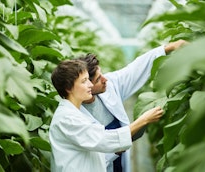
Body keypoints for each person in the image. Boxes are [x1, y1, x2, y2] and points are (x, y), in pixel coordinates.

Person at [78, 39, 188, 172]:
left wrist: (169, 47)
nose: (105, 79)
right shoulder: (76, 116)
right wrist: (143, 121)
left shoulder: (109, 85)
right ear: (86, 85)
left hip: (118, 160)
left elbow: (135, 69)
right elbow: (93, 156)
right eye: (98, 79)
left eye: (102, 74)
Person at [49, 59, 164, 172]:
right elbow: (104, 139)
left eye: (89, 80)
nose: (90, 85)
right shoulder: (67, 119)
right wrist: (143, 120)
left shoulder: (76, 112)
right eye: (84, 81)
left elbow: (93, 154)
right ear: (68, 88)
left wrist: (116, 150)